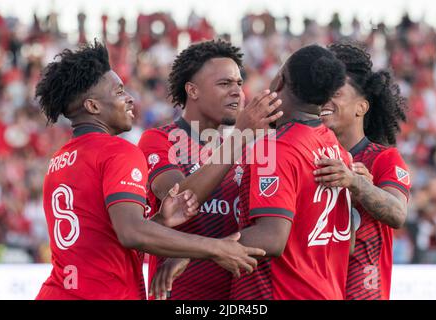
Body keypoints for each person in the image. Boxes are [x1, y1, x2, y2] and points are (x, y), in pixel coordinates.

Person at [34, 40, 266, 300]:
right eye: (119, 92)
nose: (130, 98)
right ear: (93, 106)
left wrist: (160, 222)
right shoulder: (120, 151)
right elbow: (131, 232)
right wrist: (215, 248)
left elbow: (103, 233)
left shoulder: (60, 159)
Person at [138, 39, 282, 300]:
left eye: (239, 83)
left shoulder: (248, 149)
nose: (237, 91)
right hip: (182, 296)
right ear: (193, 90)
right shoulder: (159, 140)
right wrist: (239, 138)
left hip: (242, 296)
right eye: (225, 83)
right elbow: (179, 198)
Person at [229, 44, 352, 300]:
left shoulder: (276, 147)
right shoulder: (334, 146)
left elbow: (271, 238)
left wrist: (197, 249)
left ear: (280, 80)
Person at [314, 41, 410, 300]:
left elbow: (398, 213)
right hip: (316, 289)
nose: (325, 99)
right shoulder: (309, 155)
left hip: (364, 292)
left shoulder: (384, 158)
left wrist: (356, 183)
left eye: (336, 92)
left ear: (361, 107)